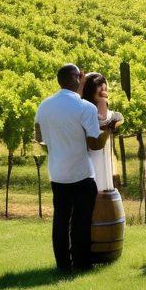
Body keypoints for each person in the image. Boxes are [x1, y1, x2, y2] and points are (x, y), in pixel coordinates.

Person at [35, 64, 109, 272]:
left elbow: (39, 137)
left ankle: (63, 264)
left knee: (60, 220)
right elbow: (95, 143)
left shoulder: (45, 105)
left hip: (57, 173)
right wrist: (109, 131)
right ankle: (81, 264)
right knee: (80, 222)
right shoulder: (85, 108)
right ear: (78, 78)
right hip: (81, 173)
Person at [80, 72, 124, 191]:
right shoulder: (85, 111)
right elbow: (101, 122)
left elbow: (116, 118)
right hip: (90, 158)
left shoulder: (109, 112)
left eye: (104, 87)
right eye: (99, 87)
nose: (103, 90)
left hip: (104, 156)